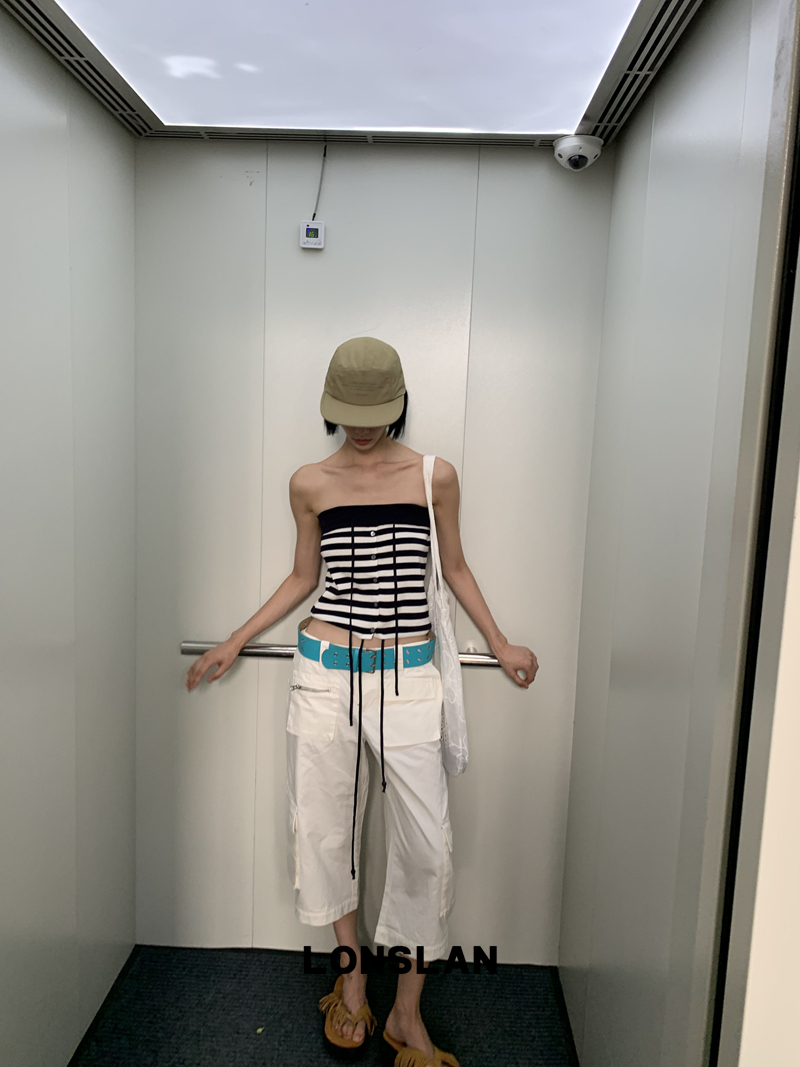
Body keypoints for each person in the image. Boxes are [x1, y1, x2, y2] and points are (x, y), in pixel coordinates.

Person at [186, 336, 538, 1066]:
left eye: (375, 414)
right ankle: (351, 982)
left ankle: (406, 1011)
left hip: (409, 678)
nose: (363, 427)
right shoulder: (309, 482)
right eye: (350, 413)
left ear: (398, 405)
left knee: (427, 847)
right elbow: (303, 577)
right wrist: (235, 639)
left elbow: (455, 567)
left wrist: (500, 642)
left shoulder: (434, 476)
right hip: (324, 675)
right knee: (325, 833)